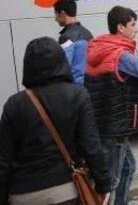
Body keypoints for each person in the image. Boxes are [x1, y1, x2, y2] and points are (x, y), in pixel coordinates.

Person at [0, 37, 110, 205]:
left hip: (22, 193)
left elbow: (4, 159)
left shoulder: (13, 104)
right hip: (65, 190)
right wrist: (103, 185)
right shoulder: (77, 95)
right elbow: (91, 146)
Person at [85, 6, 138, 205]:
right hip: (115, 128)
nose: (136, 29)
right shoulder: (121, 56)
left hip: (105, 125)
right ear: (120, 28)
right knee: (111, 181)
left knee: (128, 168)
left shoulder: (99, 49)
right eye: (132, 24)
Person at [54, 0, 92, 85]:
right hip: (89, 85)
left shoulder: (66, 37)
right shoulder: (88, 33)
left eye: (56, 14)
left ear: (62, 14)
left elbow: (63, 66)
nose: (55, 19)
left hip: (75, 88)